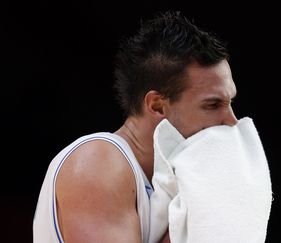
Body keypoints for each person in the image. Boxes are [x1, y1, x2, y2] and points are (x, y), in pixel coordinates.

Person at [33, 10, 238, 243]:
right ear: (158, 106)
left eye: (230, 103)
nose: (231, 121)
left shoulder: (175, 185)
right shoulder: (97, 160)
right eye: (212, 104)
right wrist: (202, 221)